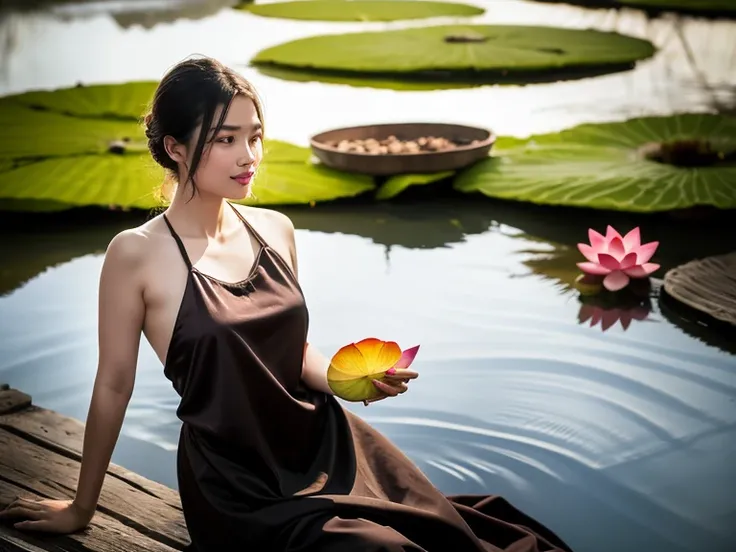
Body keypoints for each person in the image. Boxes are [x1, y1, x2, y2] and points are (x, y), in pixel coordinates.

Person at [0, 56, 573, 552]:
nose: (249, 154)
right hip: (238, 483)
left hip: (327, 442)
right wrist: (82, 507)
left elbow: (291, 354)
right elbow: (113, 385)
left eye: (255, 135)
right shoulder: (136, 255)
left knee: (463, 532)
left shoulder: (276, 228)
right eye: (225, 139)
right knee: (381, 549)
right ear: (175, 148)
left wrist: (349, 381)